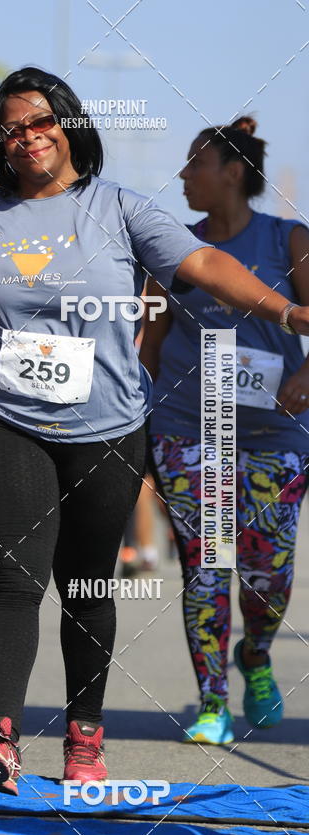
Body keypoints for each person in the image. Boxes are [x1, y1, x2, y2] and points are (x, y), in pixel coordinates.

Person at [0, 68, 309, 795]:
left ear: (69, 125)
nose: (27, 137)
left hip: (106, 427)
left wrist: (288, 314)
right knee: (15, 575)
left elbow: (203, 263)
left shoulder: (119, 209)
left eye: (40, 121)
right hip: (2, 417)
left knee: (85, 585)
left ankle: (84, 736)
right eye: (11, 129)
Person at [141, 117, 309, 745]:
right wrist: (135, 425)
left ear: (232, 174)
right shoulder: (170, 250)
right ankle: (211, 701)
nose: (183, 175)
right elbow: (149, 345)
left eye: (195, 164)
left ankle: (257, 655)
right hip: (190, 429)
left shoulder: (290, 240)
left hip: (276, 435)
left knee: (268, 575)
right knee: (206, 565)